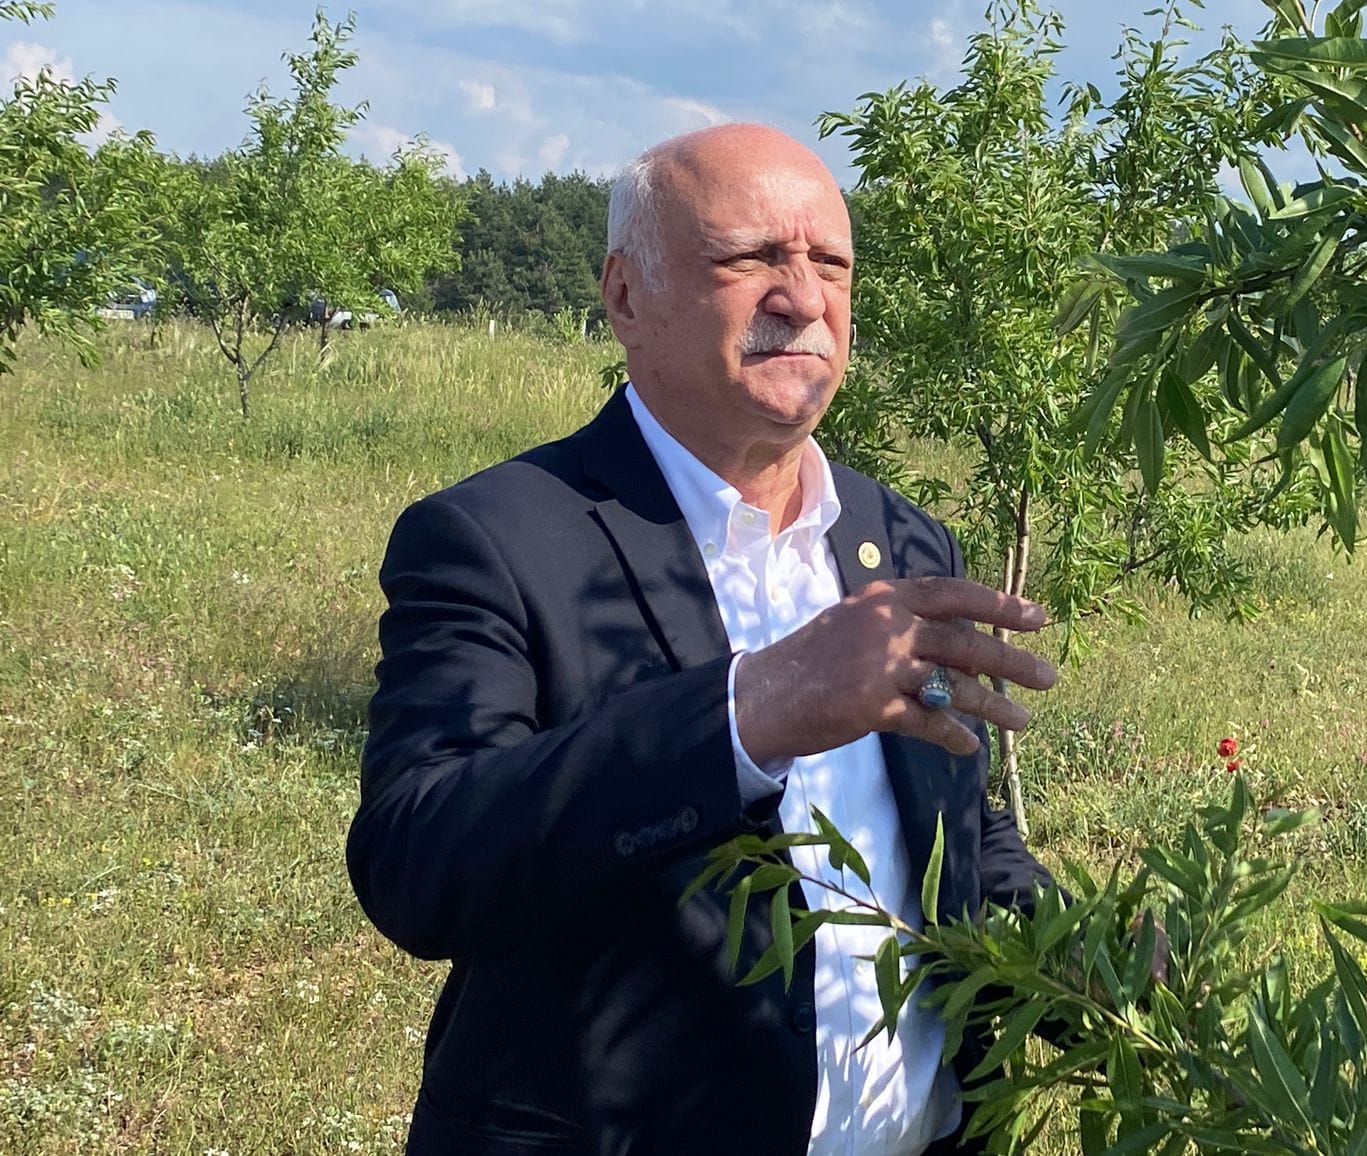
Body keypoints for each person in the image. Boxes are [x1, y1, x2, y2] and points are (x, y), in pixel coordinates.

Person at [347, 123, 1061, 1156]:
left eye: (831, 264)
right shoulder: (496, 539)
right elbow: (419, 857)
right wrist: (749, 711)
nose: (804, 298)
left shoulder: (900, 540)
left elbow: (952, 831)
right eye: (751, 258)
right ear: (626, 296)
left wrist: (1100, 970)